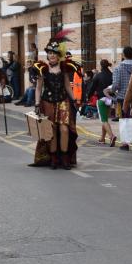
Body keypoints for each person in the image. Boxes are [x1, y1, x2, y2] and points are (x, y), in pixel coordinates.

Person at [31, 33, 81, 170]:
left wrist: (74, 99)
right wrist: (36, 103)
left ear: (59, 55)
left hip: (63, 101)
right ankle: (53, 158)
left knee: (64, 129)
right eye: (50, 53)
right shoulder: (43, 69)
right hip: (47, 102)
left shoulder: (64, 68)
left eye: (55, 53)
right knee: (51, 129)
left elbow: (67, 86)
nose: (52, 55)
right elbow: (38, 88)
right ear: (47, 55)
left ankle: (65, 158)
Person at [112, 46, 132, 149]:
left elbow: (116, 84)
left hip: (122, 98)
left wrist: (111, 91)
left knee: (124, 120)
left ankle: (125, 143)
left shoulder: (118, 68)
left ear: (123, 55)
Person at [90, 59, 116, 146]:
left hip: (101, 99)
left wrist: (88, 96)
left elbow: (92, 88)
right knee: (105, 119)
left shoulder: (98, 76)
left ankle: (111, 136)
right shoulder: (112, 75)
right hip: (110, 99)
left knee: (104, 120)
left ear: (101, 66)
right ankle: (102, 138)